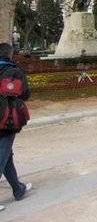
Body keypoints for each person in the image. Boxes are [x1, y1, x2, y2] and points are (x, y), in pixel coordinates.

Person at [0, 43, 32, 211]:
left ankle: (18, 189)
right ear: (10, 55)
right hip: (7, 121)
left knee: (6, 157)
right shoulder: (14, 71)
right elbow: (25, 94)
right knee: (2, 156)